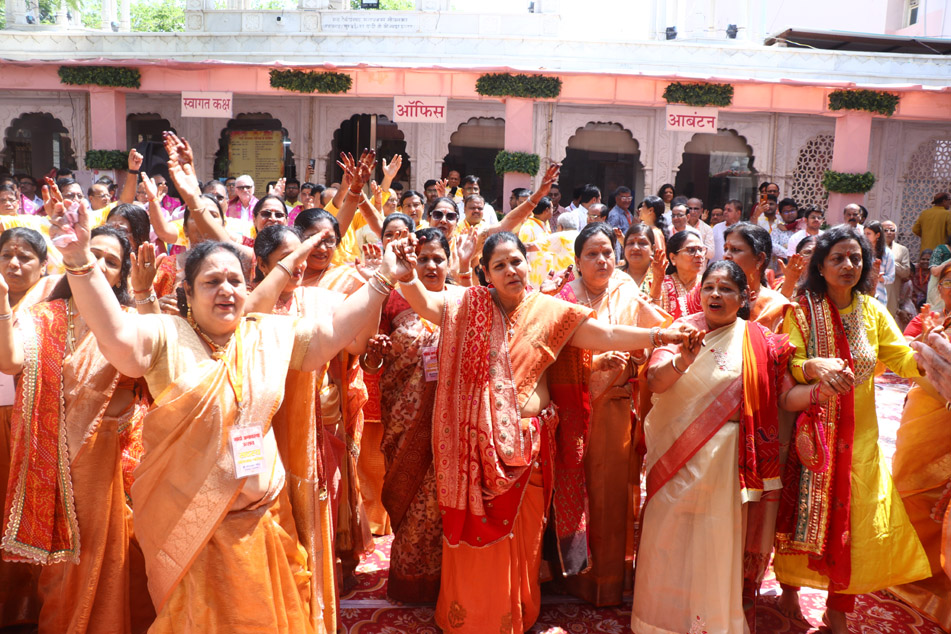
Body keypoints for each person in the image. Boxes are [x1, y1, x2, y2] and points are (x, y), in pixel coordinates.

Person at [46, 193, 413, 631]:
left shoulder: (267, 335)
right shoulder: (165, 335)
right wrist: (79, 260)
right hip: (190, 531)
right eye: (211, 281)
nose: (226, 290)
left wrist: (385, 276)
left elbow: (333, 332)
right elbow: (115, 335)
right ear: (187, 291)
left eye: (235, 281)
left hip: (264, 522)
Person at [389, 230, 695, 634]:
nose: (510, 270)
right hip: (475, 453)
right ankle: (469, 619)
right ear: (486, 274)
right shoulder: (469, 305)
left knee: (524, 537)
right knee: (477, 541)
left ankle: (516, 615)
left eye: (516, 261)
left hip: (530, 446)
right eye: (499, 265)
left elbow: (604, 335)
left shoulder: (548, 311)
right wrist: (406, 276)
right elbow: (426, 305)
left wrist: (660, 336)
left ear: (527, 264)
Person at [632, 259, 823, 634]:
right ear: (699, 292)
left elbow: (785, 398)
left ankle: (713, 623)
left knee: (716, 544)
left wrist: (819, 391)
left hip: (730, 464)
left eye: (726, 289)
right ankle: (660, 624)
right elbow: (654, 381)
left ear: (744, 296)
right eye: (709, 287)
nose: (715, 295)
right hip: (676, 458)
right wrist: (683, 360)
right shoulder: (679, 332)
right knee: (669, 539)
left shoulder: (760, 342)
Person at [775, 226, 930, 634]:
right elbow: (791, 363)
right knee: (803, 514)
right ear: (820, 266)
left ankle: (838, 609)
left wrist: (927, 356)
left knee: (854, 523)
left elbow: (900, 358)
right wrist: (814, 366)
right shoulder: (802, 311)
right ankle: (790, 587)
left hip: (860, 439)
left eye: (856, 258)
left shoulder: (872, 311)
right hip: (814, 437)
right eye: (838, 258)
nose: (848, 266)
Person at [1, 225, 155, 633]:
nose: (100, 265)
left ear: (120, 277)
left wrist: (146, 297)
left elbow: (158, 370)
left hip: (119, 464)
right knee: (66, 571)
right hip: (59, 464)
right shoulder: (43, 317)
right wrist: (1, 301)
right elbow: (11, 361)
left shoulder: (131, 321)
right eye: (94, 254)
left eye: (111, 261)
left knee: (124, 561)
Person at [556, 223, 669, 607]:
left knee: (611, 494)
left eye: (607, 252)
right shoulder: (564, 298)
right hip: (573, 410)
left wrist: (637, 356)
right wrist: (594, 361)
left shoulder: (625, 290)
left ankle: (607, 581)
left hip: (617, 409)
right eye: (592, 254)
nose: (602, 260)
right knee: (576, 490)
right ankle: (573, 578)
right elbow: (552, 355)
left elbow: (657, 333)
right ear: (577, 261)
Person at [360, 227, 466, 603]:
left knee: (447, 501)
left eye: (439, 258)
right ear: (411, 262)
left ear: (450, 262)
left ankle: (452, 584)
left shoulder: (463, 301)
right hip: (404, 425)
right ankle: (410, 581)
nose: (431, 265)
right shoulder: (392, 300)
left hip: (453, 426)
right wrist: (374, 355)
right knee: (412, 499)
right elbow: (369, 363)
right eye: (423, 259)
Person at [0, 227, 58, 628]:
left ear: (43, 265)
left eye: (25, 258)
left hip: (28, 424)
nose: (14, 264)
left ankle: (24, 610)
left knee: (20, 512)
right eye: (7, 256)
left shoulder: (49, 302)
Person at [658, 230, 705, 320]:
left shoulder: (707, 284)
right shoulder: (661, 285)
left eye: (700, 250)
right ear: (673, 258)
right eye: (691, 250)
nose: (699, 255)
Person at [620, 222, 665, 295]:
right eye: (630, 243)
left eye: (642, 243)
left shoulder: (662, 278)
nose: (635, 248)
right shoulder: (613, 277)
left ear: (652, 249)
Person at [882, 220, 911, 323]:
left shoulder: (902, 250)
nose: (889, 232)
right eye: (885, 230)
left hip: (893, 293)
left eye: (892, 230)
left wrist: (890, 262)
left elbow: (906, 272)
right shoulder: (874, 248)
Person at [864, 221, 895, 306]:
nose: (865, 236)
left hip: (879, 294)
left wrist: (879, 278)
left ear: (877, 235)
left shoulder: (887, 253)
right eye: (864, 233)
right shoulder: (862, 251)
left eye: (868, 234)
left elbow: (891, 278)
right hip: (862, 292)